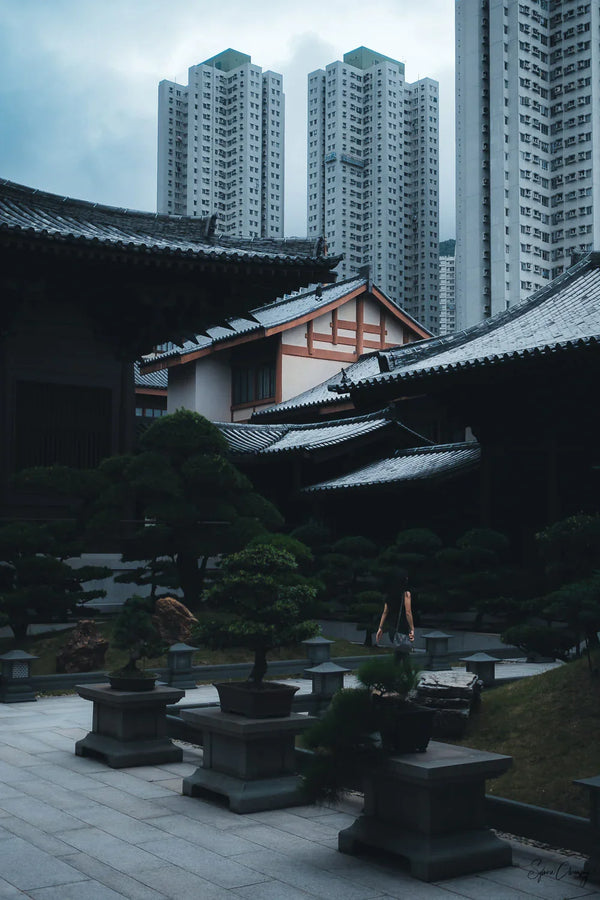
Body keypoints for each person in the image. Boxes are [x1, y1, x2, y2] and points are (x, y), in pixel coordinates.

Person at [376, 574, 415, 652]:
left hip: (393, 628)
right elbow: (408, 612)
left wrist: (380, 628)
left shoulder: (389, 595)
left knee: (397, 652)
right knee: (404, 653)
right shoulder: (406, 594)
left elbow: (385, 612)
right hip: (402, 627)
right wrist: (412, 628)